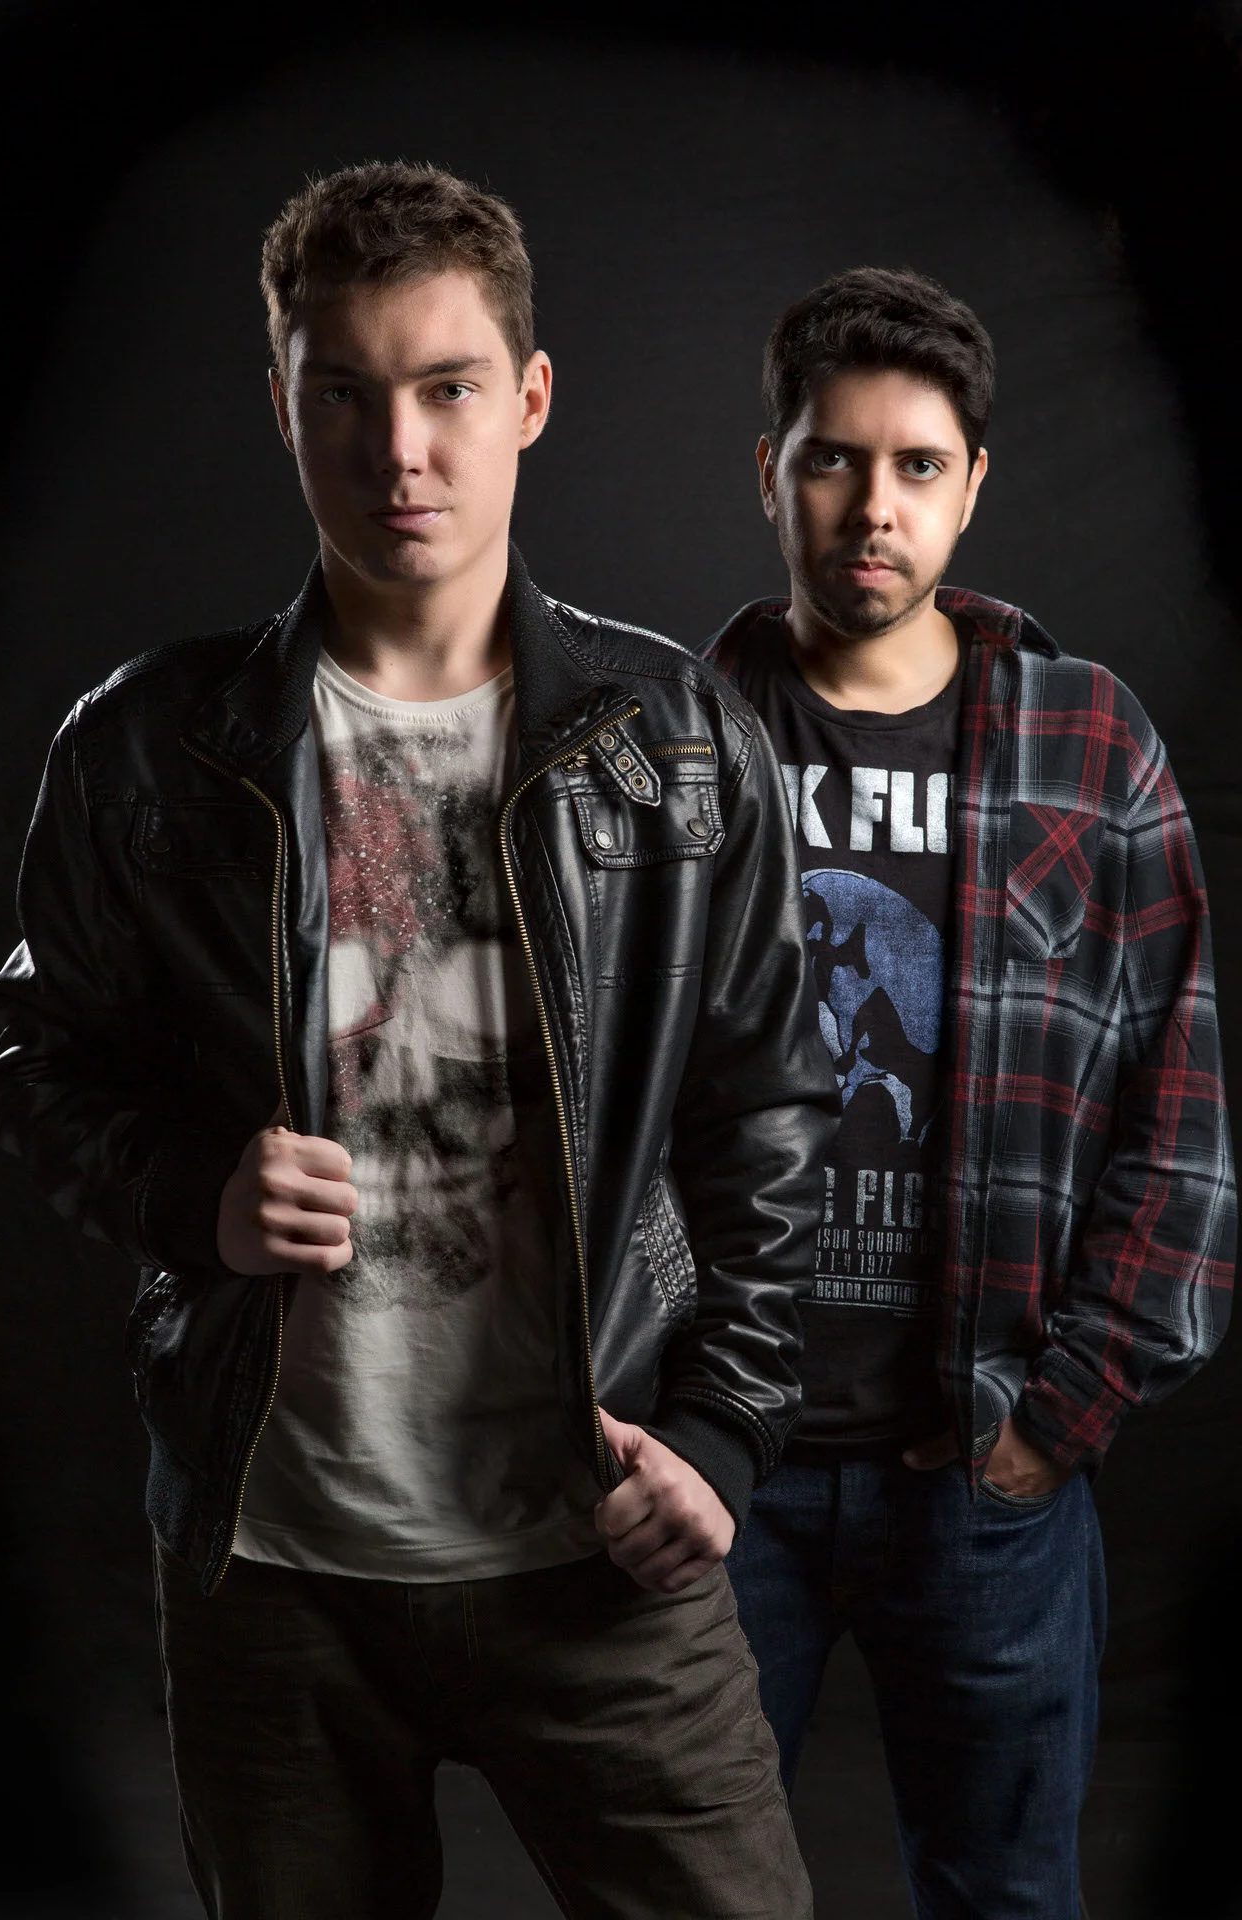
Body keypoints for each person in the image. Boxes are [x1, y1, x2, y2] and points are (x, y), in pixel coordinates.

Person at [0, 161, 839, 1920]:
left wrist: (725, 1433)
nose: (399, 453)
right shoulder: (145, 747)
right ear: (280, 404)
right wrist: (195, 1196)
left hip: (599, 1540)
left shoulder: (678, 742)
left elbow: (768, 1108)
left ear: (530, 398)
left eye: (448, 388)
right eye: (344, 396)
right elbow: (39, 1058)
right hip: (272, 1565)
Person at [703, 266, 1236, 1920]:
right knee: (680, 1894)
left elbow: (1184, 1127)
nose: (874, 506)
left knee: (1006, 1898)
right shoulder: (673, 741)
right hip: (718, 1473)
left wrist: (1056, 1420)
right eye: (833, 459)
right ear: (772, 471)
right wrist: (644, 1415)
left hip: (983, 1477)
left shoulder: (1091, 749)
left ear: (974, 484)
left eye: (918, 465)